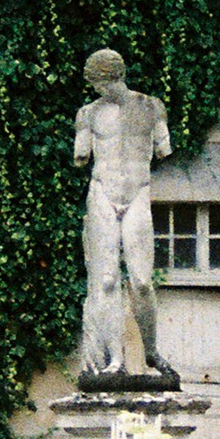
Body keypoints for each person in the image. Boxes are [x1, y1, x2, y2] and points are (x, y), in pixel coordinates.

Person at [72, 46, 176, 383]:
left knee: (142, 282)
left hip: (137, 193)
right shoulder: (88, 114)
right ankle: (116, 359)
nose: (97, 90)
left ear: (110, 77)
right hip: (102, 193)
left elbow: (163, 149)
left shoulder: (150, 107)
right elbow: (81, 156)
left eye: (99, 83)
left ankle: (150, 351)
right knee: (106, 281)